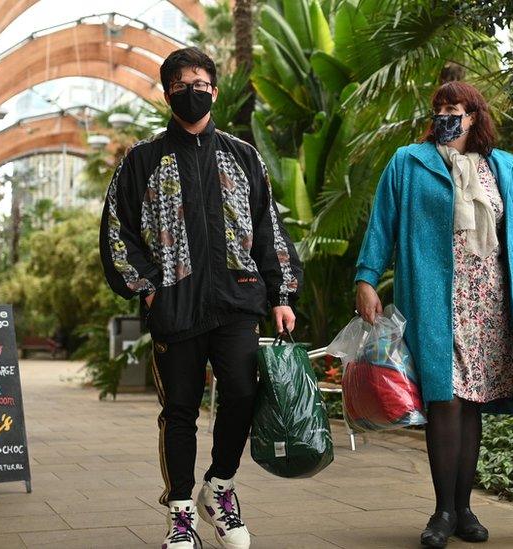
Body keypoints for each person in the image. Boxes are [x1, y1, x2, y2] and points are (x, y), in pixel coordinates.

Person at [99, 47, 303, 549]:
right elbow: (116, 230)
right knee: (181, 411)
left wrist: (281, 293)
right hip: (176, 305)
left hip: (237, 299)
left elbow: (267, 228)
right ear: (168, 92)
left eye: (202, 82)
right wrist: (147, 288)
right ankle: (182, 511)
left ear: (214, 89)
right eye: (183, 83)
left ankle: (221, 486)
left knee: (241, 391)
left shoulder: (243, 155)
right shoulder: (142, 160)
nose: (194, 91)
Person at [354, 81, 513, 548]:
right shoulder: (409, 162)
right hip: (439, 299)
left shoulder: (502, 168)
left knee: (472, 404)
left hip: (491, 302)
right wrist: (366, 278)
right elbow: (383, 222)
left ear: (473, 116)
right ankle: (441, 511)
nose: (444, 115)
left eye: (453, 109)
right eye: (438, 108)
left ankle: (465, 510)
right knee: (445, 400)